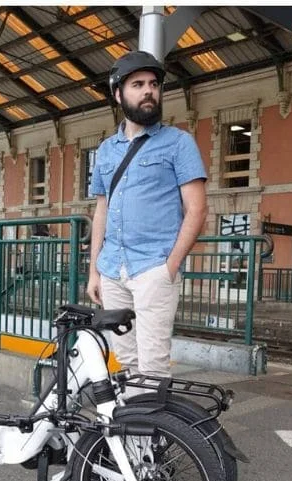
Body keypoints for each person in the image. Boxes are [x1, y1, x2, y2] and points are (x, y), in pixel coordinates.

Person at [87, 50, 208, 378]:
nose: (148, 91)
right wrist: (94, 271)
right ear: (118, 94)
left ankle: (148, 430)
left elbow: (196, 210)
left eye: (154, 84)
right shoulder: (106, 150)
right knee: (127, 363)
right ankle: (131, 430)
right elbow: (102, 209)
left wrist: (169, 268)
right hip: (112, 270)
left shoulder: (178, 143)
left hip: (153, 269)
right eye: (137, 84)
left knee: (153, 366)